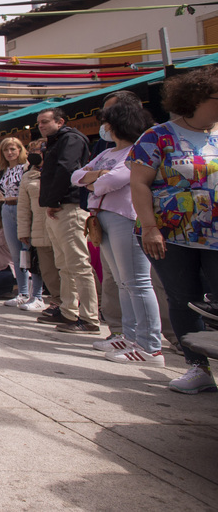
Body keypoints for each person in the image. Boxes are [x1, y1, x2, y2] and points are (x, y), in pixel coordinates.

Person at [129, 65, 218, 393]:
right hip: (171, 234)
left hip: (216, 234)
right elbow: (138, 183)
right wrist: (150, 227)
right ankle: (198, 367)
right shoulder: (158, 136)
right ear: (195, 99)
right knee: (184, 299)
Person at [73, 101, 162, 366]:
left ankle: (151, 346)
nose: (104, 127)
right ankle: (131, 336)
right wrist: (97, 177)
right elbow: (76, 176)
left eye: (107, 122)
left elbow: (113, 181)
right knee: (124, 282)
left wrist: (94, 180)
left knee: (137, 282)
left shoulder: (137, 151)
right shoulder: (108, 153)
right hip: (102, 219)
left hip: (126, 218)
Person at [36, 107, 100, 334]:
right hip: (57, 207)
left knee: (79, 265)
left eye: (45, 122)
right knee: (64, 265)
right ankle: (69, 311)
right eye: (39, 123)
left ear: (60, 121)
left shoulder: (71, 139)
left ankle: (90, 318)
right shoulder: (55, 142)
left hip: (69, 206)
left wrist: (54, 200)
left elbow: (66, 170)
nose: (41, 126)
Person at [17, 141, 60, 313]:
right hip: (40, 228)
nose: (34, 153)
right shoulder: (28, 176)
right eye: (31, 150)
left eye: (38, 150)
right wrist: (23, 231)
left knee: (69, 268)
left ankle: (77, 305)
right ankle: (57, 303)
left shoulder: (61, 168)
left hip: (61, 224)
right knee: (48, 270)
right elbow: (23, 207)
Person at [0, 137, 31, 308]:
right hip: (6, 209)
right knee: (16, 253)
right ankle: (22, 292)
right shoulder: (3, 170)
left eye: (13, 149)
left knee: (28, 251)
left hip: (23, 209)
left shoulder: (27, 168)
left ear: (20, 150)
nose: (9, 153)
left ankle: (35, 293)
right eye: (6, 150)